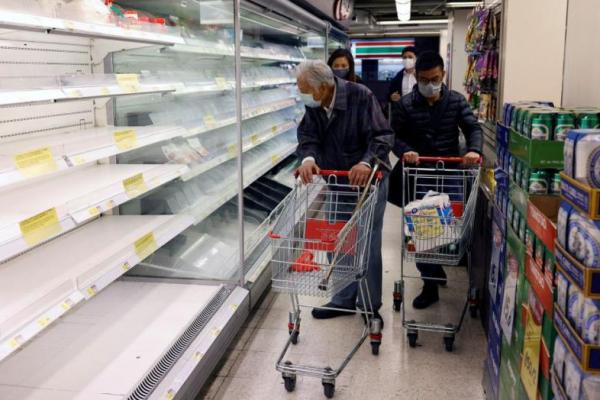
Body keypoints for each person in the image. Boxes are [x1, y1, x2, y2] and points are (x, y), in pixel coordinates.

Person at [295, 60, 393, 326]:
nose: (300, 93)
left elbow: (382, 136)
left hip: (368, 182)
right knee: (338, 239)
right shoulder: (314, 104)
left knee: (366, 242)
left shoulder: (361, 96)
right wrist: (308, 159)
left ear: (324, 88)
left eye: (303, 89)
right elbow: (307, 135)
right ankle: (343, 300)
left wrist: (366, 162)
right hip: (337, 180)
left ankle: (370, 305)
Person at [391, 51, 483, 310]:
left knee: (449, 228)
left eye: (434, 78)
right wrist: (404, 150)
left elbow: (472, 128)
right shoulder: (406, 105)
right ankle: (429, 283)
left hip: (451, 173)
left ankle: (440, 266)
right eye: (423, 79)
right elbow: (393, 136)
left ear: (443, 75)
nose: (428, 84)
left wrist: (474, 150)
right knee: (424, 231)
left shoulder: (455, 101)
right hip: (419, 175)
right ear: (416, 78)